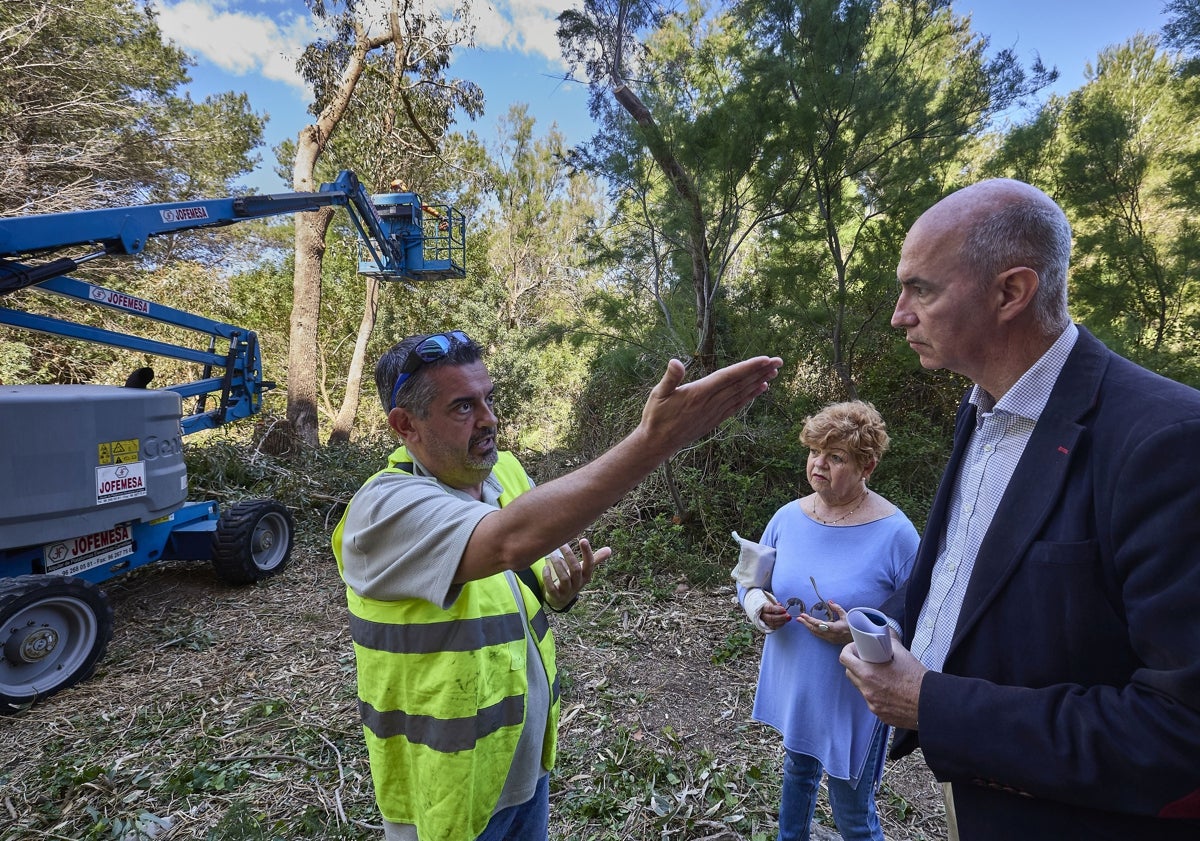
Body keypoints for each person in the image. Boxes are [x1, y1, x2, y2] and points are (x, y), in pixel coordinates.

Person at [840, 178, 1200, 839]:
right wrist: (889, 625)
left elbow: (1180, 728)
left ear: (1011, 292)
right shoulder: (980, 410)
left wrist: (934, 704)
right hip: (979, 800)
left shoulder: (1168, 441)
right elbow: (979, 574)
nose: (898, 314)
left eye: (922, 288)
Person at [333, 330, 782, 841]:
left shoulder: (503, 470)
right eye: (463, 407)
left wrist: (558, 592)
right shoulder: (382, 510)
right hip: (445, 797)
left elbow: (521, 571)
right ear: (405, 425)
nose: (489, 419)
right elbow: (508, 541)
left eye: (489, 398)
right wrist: (653, 443)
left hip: (524, 770)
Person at [737, 401, 917, 841]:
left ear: (867, 466)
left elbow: (916, 615)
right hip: (800, 682)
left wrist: (857, 634)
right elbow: (749, 579)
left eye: (836, 457)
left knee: (852, 811)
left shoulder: (897, 534)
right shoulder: (787, 516)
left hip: (856, 693)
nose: (818, 464)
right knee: (797, 774)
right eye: (815, 451)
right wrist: (760, 607)